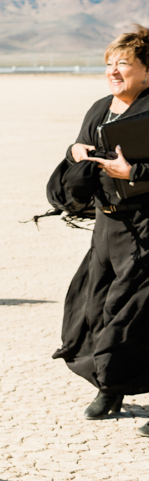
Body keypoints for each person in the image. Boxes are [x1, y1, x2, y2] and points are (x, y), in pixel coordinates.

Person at [53, 26, 149, 434]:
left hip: (145, 228)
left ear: (146, 71)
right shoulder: (99, 108)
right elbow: (79, 150)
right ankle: (109, 388)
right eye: (109, 64)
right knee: (95, 309)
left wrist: (135, 173)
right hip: (106, 226)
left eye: (123, 64)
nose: (114, 71)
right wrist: (75, 153)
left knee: (138, 317)